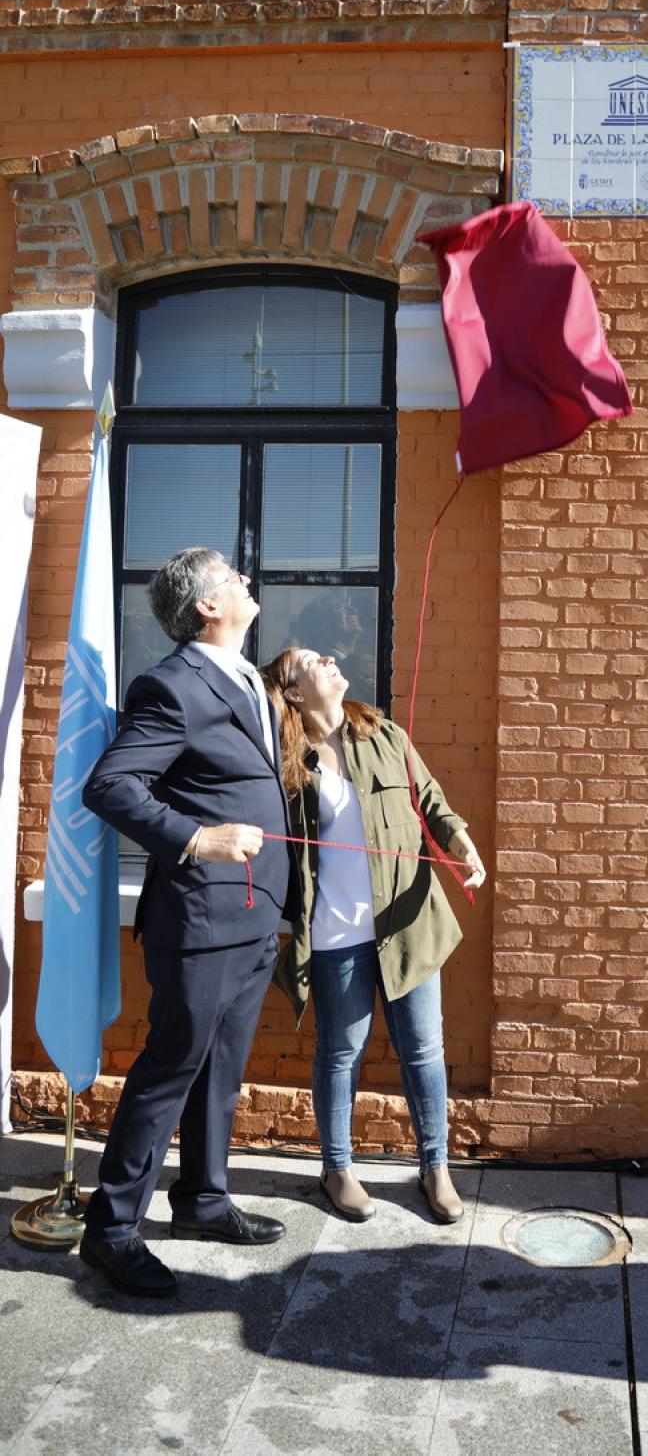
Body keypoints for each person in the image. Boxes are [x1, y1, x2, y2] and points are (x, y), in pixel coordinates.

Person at [79, 548, 298, 1297]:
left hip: (252, 915)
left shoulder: (245, 677)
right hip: (200, 919)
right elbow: (109, 786)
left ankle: (202, 1200)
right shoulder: (173, 686)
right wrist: (197, 838)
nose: (246, 577)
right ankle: (110, 1232)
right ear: (207, 604)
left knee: (222, 1074)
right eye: (233, 573)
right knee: (170, 1069)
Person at [260, 645, 485, 1225]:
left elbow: (431, 801)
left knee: (424, 1052)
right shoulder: (288, 761)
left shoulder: (383, 734)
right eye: (312, 661)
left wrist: (463, 848)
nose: (331, 658)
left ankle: (435, 1166)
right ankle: (338, 1168)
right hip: (335, 937)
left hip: (407, 927)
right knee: (340, 1055)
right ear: (292, 694)